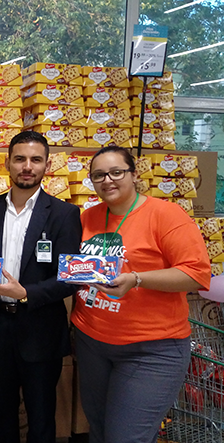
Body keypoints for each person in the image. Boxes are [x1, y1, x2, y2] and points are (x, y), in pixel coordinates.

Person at [71, 146, 210, 443]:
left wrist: (137, 279)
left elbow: (196, 274)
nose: (107, 180)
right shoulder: (88, 217)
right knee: (99, 431)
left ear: (134, 174)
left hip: (151, 349)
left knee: (126, 437)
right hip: (92, 342)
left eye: (116, 172)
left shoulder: (165, 215)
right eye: (98, 175)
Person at [0, 130, 82, 443]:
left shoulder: (64, 214)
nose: (27, 166)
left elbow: (70, 278)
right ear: (7, 163)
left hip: (40, 329)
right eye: (20, 159)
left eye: (35, 160)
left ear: (47, 165)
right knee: (0, 414)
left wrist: (26, 293)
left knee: (41, 417)